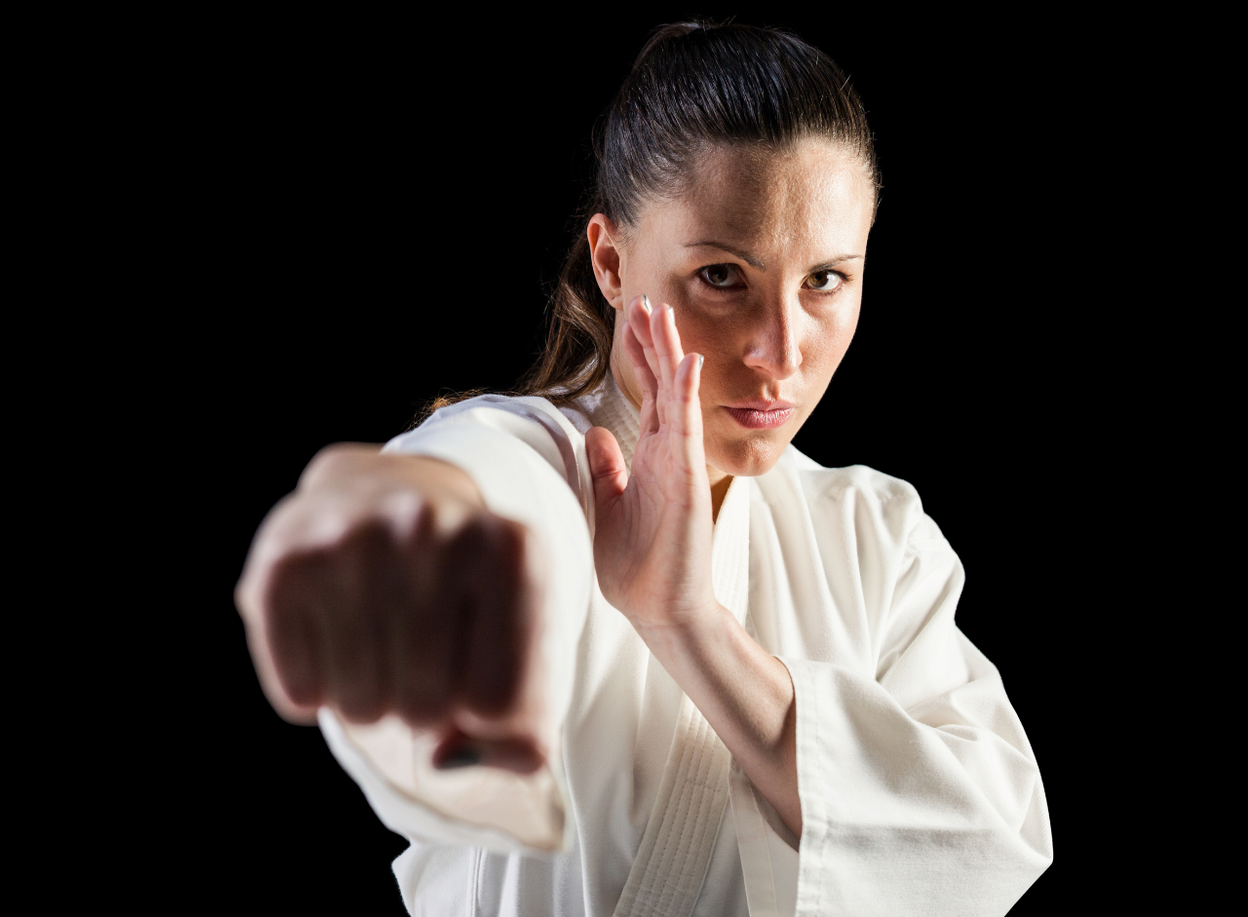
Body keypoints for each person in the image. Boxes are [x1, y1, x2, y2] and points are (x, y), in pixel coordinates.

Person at [236, 22, 1052, 917]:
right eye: (722, 276)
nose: (780, 353)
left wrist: (689, 624)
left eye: (825, 280)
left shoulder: (874, 537)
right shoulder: (537, 462)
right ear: (613, 262)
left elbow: (986, 841)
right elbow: (466, 496)